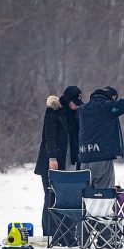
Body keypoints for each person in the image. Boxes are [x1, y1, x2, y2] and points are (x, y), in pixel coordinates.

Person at [78, 73, 124, 188]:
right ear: (113, 98)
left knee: (87, 197)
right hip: (101, 159)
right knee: (104, 198)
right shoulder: (107, 107)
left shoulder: (82, 109)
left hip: (84, 160)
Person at [34, 86, 83, 238]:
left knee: (68, 200)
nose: (77, 105)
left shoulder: (75, 114)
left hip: (70, 164)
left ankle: (67, 235)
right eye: (75, 102)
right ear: (68, 100)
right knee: (51, 199)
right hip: (52, 164)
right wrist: (52, 158)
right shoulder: (53, 111)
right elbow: (49, 137)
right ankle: (50, 234)